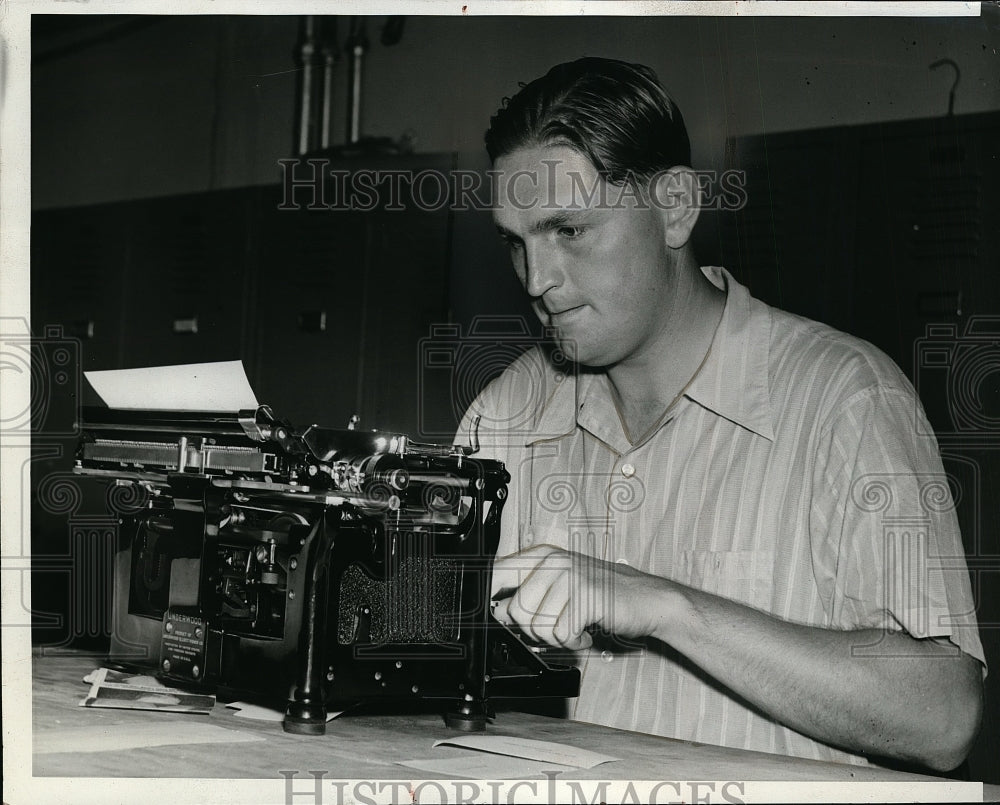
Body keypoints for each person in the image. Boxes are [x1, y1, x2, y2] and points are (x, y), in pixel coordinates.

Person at [459, 57, 985, 772]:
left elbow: (943, 718)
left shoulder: (847, 401)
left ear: (675, 206)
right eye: (515, 242)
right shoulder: (508, 414)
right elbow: (412, 653)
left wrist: (668, 606)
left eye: (570, 230)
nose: (537, 280)